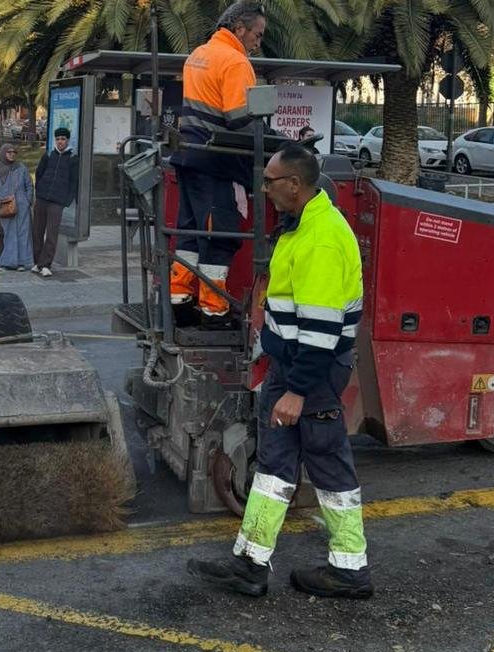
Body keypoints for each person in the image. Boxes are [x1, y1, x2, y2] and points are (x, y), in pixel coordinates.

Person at [187, 144, 372, 600]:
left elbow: (321, 331)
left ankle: (350, 569)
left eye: (270, 181)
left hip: (311, 376)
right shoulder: (301, 227)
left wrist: (297, 392)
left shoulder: (322, 238)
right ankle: (250, 563)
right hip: (292, 370)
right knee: (274, 470)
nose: (264, 189)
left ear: (294, 184)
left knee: (328, 466)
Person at [169, 2, 265, 320]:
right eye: (257, 34)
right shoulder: (235, 62)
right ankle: (213, 309)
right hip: (216, 162)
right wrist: (272, 134)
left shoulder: (199, 54)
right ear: (240, 28)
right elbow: (239, 118)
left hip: (189, 156)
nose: (258, 42)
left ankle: (179, 297)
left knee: (190, 231)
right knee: (219, 235)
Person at [31, 128, 78, 277]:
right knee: (37, 231)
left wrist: (66, 201)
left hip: (57, 201)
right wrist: (39, 192)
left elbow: (73, 182)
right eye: (58, 139)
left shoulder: (72, 159)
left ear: (67, 140)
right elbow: (39, 173)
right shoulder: (48, 155)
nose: (60, 141)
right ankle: (37, 262)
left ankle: (46, 264)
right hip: (42, 198)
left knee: (52, 234)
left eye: (63, 139)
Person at [0, 143, 34, 270]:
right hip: (5, 206)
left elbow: (29, 185)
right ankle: (6, 263)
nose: (12, 154)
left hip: (22, 207)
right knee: (6, 234)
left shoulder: (21, 167)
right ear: (3, 153)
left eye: (14, 152)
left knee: (23, 234)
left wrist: (27, 200)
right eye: (9, 152)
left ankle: (22, 263)